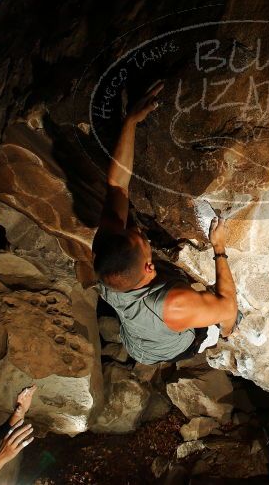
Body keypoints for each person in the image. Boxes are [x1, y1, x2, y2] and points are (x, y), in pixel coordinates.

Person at [92, 80, 239, 364]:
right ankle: (204, 343)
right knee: (229, 319)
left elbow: (117, 186)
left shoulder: (108, 258)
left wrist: (131, 121)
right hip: (165, 349)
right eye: (142, 241)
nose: (136, 229)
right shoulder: (175, 306)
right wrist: (219, 249)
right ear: (149, 266)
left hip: (134, 339)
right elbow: (228, 313)